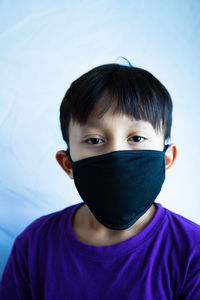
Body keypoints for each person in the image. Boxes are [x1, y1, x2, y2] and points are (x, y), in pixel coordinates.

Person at [0, 61, 200, 300]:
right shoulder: (34, 244)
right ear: (67, 163)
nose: (115, 154)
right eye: (94, 140)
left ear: (166, 159)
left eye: (136, 137)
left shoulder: (192, 251)